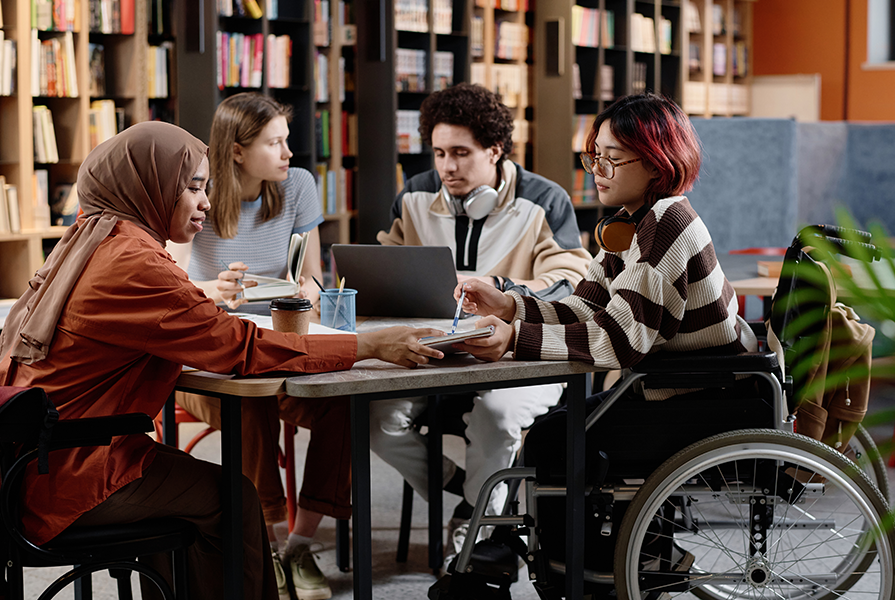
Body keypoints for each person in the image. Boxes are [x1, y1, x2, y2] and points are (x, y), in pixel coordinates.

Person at [0, 121, 445, 600]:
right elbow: (241, 348)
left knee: (196, 496)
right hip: (73, 474)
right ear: (148, 186)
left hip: (33, 460)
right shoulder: (133, 261)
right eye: (192, 188)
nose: (207, 202)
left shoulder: (88, 238)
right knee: (235, 499)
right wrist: (371, 345)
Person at [454, 91, 757, 462]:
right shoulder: (633, 222)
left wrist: (515, 337)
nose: (596, 170)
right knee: (554, 432)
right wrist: (509, 306)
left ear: (657, 163)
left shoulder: (665, 224)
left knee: (551, 443)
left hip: (704, 400)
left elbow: (619, 340)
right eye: (595, 156)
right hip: (672, 387)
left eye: (612, 159)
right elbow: (586, 307)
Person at [369, 83, 593, 569]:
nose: (447, 167)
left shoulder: (545, 200)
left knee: (495, 417)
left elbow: (572, 280)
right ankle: (471, 488)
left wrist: (504, 289)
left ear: (494, 150)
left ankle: (474, 538)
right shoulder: (414, 194)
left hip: (519, 352)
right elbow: (388, 265)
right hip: (437, 351)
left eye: (461, 154)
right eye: (439, 153)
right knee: (377, 420)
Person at [165, 92, 343, 600]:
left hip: (278, 340)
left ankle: (299, 545)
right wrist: (212, 292)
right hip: (210, 364)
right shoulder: (197, 193)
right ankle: (266, 542)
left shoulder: (298, 186)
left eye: (287, 141)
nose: (289, 153)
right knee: (254, 399)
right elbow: (172, 283)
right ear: (238, 151)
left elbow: (312, 281)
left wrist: (296, 297)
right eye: (275, 143)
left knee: (344, 403)